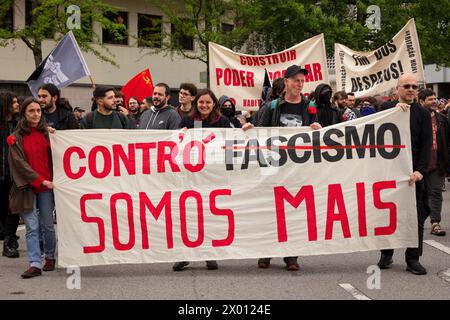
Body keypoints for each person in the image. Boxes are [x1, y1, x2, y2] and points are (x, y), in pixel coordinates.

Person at [173, 88, 252, 272]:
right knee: (190, 217)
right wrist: (180, 134)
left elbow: (235, 139)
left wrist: (244, 130)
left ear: (214, 104)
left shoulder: (223, 121)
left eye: (208, 102)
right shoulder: (187, 120)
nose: (204, 105)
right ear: (196, 103)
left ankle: (210, 254)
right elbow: (176, 144)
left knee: (211, 216)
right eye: (201, 102)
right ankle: (185, 255)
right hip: (192, 176)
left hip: (214, 175)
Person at [256, 65, 321, 271]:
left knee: (293, 213)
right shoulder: (272, 106)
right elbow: (259, 133)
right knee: (269, 211)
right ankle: (266, 252)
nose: (299, 84)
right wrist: (249, 128)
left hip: (296, 170)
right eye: (296, 80)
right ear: (286, 82)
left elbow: (316, 137)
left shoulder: (309, 107)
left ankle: (291, 256)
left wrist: (317, 129)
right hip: (274, 168)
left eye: (302, 81)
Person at [377, 73, 432, 275]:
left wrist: (420, 171)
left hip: (412, 176)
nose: (411, 89)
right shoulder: (385, 109)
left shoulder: (423, 114)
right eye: (406, 86)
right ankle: (386, 253)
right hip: (388, 174)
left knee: (414, 218)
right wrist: (394, 112)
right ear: (397, 89)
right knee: (387, 215)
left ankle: (413, 258)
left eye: (414, 87)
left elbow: (426, 145)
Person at [8, 97, 56, 278]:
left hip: (47, 187)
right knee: (31, 227)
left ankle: (50, 257)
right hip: (27, 187)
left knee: (48, 225)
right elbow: (19, 164)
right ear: (23, 114)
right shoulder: (15, 138)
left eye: (38, 110)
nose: (36, 114)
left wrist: (55, 136)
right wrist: (40, 180)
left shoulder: (48, 134)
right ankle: (35, 263)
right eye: (31, 111)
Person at [418, 89, 448, 236]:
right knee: (420, 194)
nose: (434, 102)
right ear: (421, 101)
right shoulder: (413, 118)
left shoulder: (442, 119)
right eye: (430, 99)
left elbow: (447, 142)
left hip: (438, 163)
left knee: (436, 193)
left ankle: (435, 222)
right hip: (418, 165)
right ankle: (416, 224)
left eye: (435, 99)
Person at [0, 90, 20, 258]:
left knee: (13, 208)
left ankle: (10, 241)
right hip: (1, 174)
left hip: (14, 175)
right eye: (13, 102)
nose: (17, 104)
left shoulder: (18, 125)